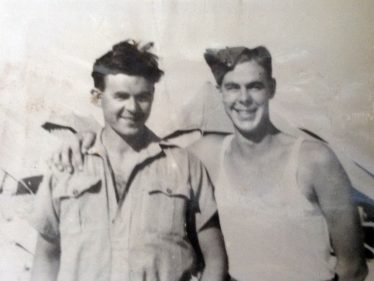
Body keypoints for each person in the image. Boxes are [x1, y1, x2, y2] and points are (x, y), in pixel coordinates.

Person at [52, 45, 368, 281]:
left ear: (271, 89)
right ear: (220, 94)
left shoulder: (314, 159)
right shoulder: (208, 153)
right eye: (232, 87)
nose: (243, 99)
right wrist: (83, 137)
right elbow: (139, 146)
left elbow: (352, 267)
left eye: (254, 86)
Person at [30, 40, 227, 281]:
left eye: (143, 96)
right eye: (121, 96)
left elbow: (215, 258)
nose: (133, 108)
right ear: (97, 97)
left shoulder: (186, 166)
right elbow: (46, 257)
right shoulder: (68, 164)